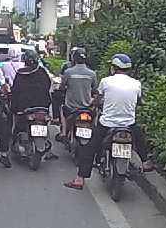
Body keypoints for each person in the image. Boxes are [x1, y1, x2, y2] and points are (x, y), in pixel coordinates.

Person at [63, 53, 154, 190]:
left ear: (113, 68)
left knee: (89, 148)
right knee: (140, 139)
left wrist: (94, 103)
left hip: (108, 123)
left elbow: (98, 99)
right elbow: (139, 101)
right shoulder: (136, 84)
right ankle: (146, 162)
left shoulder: (106, 81)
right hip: (128, 124)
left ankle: (79, 179)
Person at [8, 49, 57, 160]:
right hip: (42, 106)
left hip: (25, 107)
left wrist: (14, 106)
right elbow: (48, 86)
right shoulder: (42, 72)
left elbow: (15, 91)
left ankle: (15, 142)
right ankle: (49, 150)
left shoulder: (20, 73)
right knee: (45, 124)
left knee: (17, 125)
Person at [56, 47, 97, 139]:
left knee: (61, 109)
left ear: (74, 58)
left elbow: (62, 87)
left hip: (71, 106)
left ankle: (63, 132)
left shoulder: (68, 72)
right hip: (87, 106)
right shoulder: (92, 74)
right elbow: (95, 90)